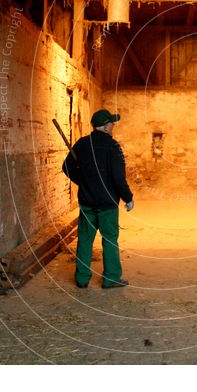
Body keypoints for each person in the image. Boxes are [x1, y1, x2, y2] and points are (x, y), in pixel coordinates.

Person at [62, 109, 134, 289]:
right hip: (107, 204)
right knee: (109, 239)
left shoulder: (82, 144)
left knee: (85, 239)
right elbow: (118, 178)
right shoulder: (113, 147)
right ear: (105, 126)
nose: (113, 126)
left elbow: (67, 166)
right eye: (111, 123)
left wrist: (83, 181)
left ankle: (82, 279)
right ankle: (110, 278)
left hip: (87, 202)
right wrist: (128, 198)